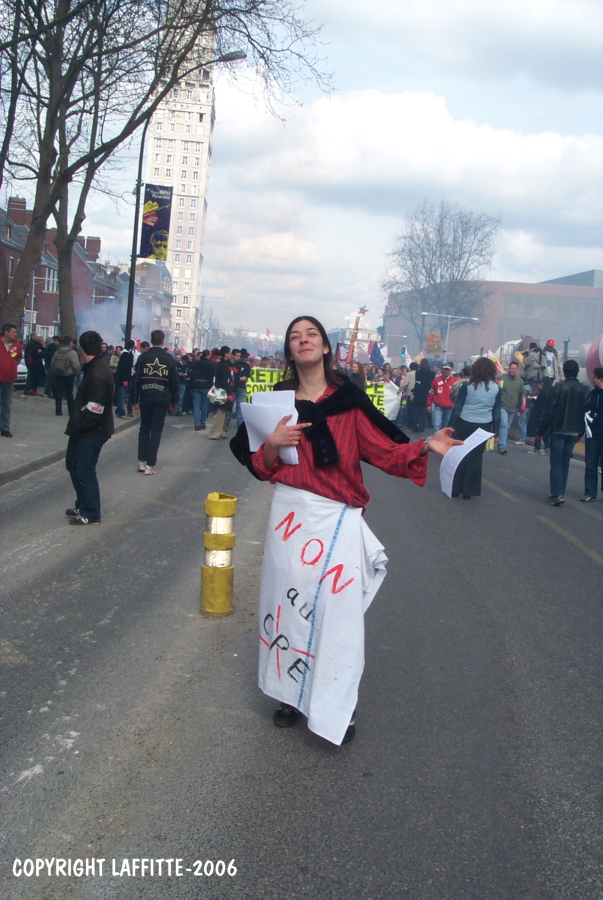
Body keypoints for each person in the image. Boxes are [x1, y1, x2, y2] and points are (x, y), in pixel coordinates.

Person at [230, 315, 461, 746]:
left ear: (325, 348)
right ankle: (288, 696)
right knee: (287, 611)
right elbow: (260, 468)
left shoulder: (349, 403)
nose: (304, 341)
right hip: (290, 522)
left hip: (336, 520)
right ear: (289, 350)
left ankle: (338, 702)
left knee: (337, 620)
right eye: (295, 336)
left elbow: (386, 452)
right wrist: (275, 443)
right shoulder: (275, 404)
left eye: (311, 334)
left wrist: (426, 444)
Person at [64, 331, 114, 525]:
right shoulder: (94, 367)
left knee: (85, 470)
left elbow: (96, 408)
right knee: (73, 465)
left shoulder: (98, 373)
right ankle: (83, 503)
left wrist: (79, 424)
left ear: (82, 349)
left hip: (92, 431)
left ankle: (91, 512)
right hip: (85, 429)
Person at [538, 359, 590, 506]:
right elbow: (586, 412)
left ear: (565, 372)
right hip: (574, 430)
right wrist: (581, 432)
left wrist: (541, 431)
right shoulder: (585, 389)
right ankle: (561, 491)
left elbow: (549, 412)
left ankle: (557, 493)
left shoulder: (558, 388)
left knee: (556, 461)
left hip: (559, 429)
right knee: (565, 461)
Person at [448, 357, 501, 499]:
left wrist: (451, 425)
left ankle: (454, 489)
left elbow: (458, 407)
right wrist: (496, 431)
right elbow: (497, 411)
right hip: (484, 425)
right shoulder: (495, 388)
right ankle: (468, 491)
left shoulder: (467, 385)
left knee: (460, 455)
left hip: (464, 422)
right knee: (475, 458)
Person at [132, 329, 179, 474]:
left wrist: (134, 400)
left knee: (144, 428)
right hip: (162, 397)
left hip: (145, 396)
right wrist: (174, 401)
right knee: (156, 430)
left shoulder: (143, 358)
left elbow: (136, 380)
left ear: (151, 341)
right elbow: (174, 382)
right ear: (163, 341)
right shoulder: (169, 359)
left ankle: (141, 461)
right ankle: (150, 465)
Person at [582, 366, 603, 502]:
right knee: (590, 464)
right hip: (592, 434)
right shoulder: (592, 394)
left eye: (594, 378)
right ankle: (590, 492)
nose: (592, 380)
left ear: (600, 379)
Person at [497, 361, 526, 453]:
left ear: (517, 370)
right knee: (504, 425)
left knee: (507, 427)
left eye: (515, 369)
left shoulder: (520, 381)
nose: (513, 370)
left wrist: (523, 404)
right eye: (511, 368)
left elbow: (523, 394)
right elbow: (495, 387)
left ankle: (500, 442)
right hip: (503, 406)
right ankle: (502, 446)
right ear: (508, 369)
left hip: (512, 408)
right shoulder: (502, 378)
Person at [0, 323, 23, 437]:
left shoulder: (16, 345)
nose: (15, 334)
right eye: (13, 332)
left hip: (9, 378)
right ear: (6, 332)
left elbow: (17, 357)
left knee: (6, 403)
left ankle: (4, 428)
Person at [207, 346, 235, 440]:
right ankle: (215, 433)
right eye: (230, 352)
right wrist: (229, 392)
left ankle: (221, 431)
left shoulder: (225, 364)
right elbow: (224, 380)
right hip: (223, 391)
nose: (231, 354)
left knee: (225, 412)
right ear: (226, 354)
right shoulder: (223, 365)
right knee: (221, 412)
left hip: (225, 389)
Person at [50, 335, 81, 416]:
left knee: (58, 393)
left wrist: (56, 371)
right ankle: (71, 411)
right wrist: (77, 373)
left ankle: (58, 411)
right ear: (70, 343)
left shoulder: (58, 351)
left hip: (58, 374)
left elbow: (52, 363)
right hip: (69, 375)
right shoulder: (72, 352)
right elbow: (76, 365)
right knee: (69, 394)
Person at [189, 348, 214, 431]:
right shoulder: (210, 365)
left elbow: (192, 376)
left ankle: (197, 424)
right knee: (204, 406)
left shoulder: (196, 364)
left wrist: (191, 387)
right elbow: (211, 377)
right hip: (206, 386)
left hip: (196, 386)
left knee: (196, 406)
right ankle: (202, 423)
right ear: (208, 355)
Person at [428, 362, 457, 432]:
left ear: (450, 370)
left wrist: (455, 403)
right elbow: (431, 392)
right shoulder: (436, 380)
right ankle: (436, 438)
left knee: (445, 425)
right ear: (442, 370)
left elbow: (457, 394)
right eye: (445, 369)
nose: (446, 371)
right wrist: (429, 404)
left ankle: (442, 439)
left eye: (448, 370)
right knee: (436, 424)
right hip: (438, 406)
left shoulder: (455, 381)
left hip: (449, 407)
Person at [409, 358, 433, 434]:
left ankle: (414, 427)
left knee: (415, 412)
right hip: (427, 394)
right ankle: (421, 429)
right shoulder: (432, 373)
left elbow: (417, 383)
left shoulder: (418, 372)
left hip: (418, 394)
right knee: (423, 413)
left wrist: (414, 393)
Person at [114, 339, 135, 419]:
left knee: (124, 396)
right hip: (123, 379)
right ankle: (121, 412)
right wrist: (124, 380)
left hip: (127, 378)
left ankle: (119, 409)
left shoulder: (128, 353)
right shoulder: (125, 354)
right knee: (122, 396)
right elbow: (123, 368)